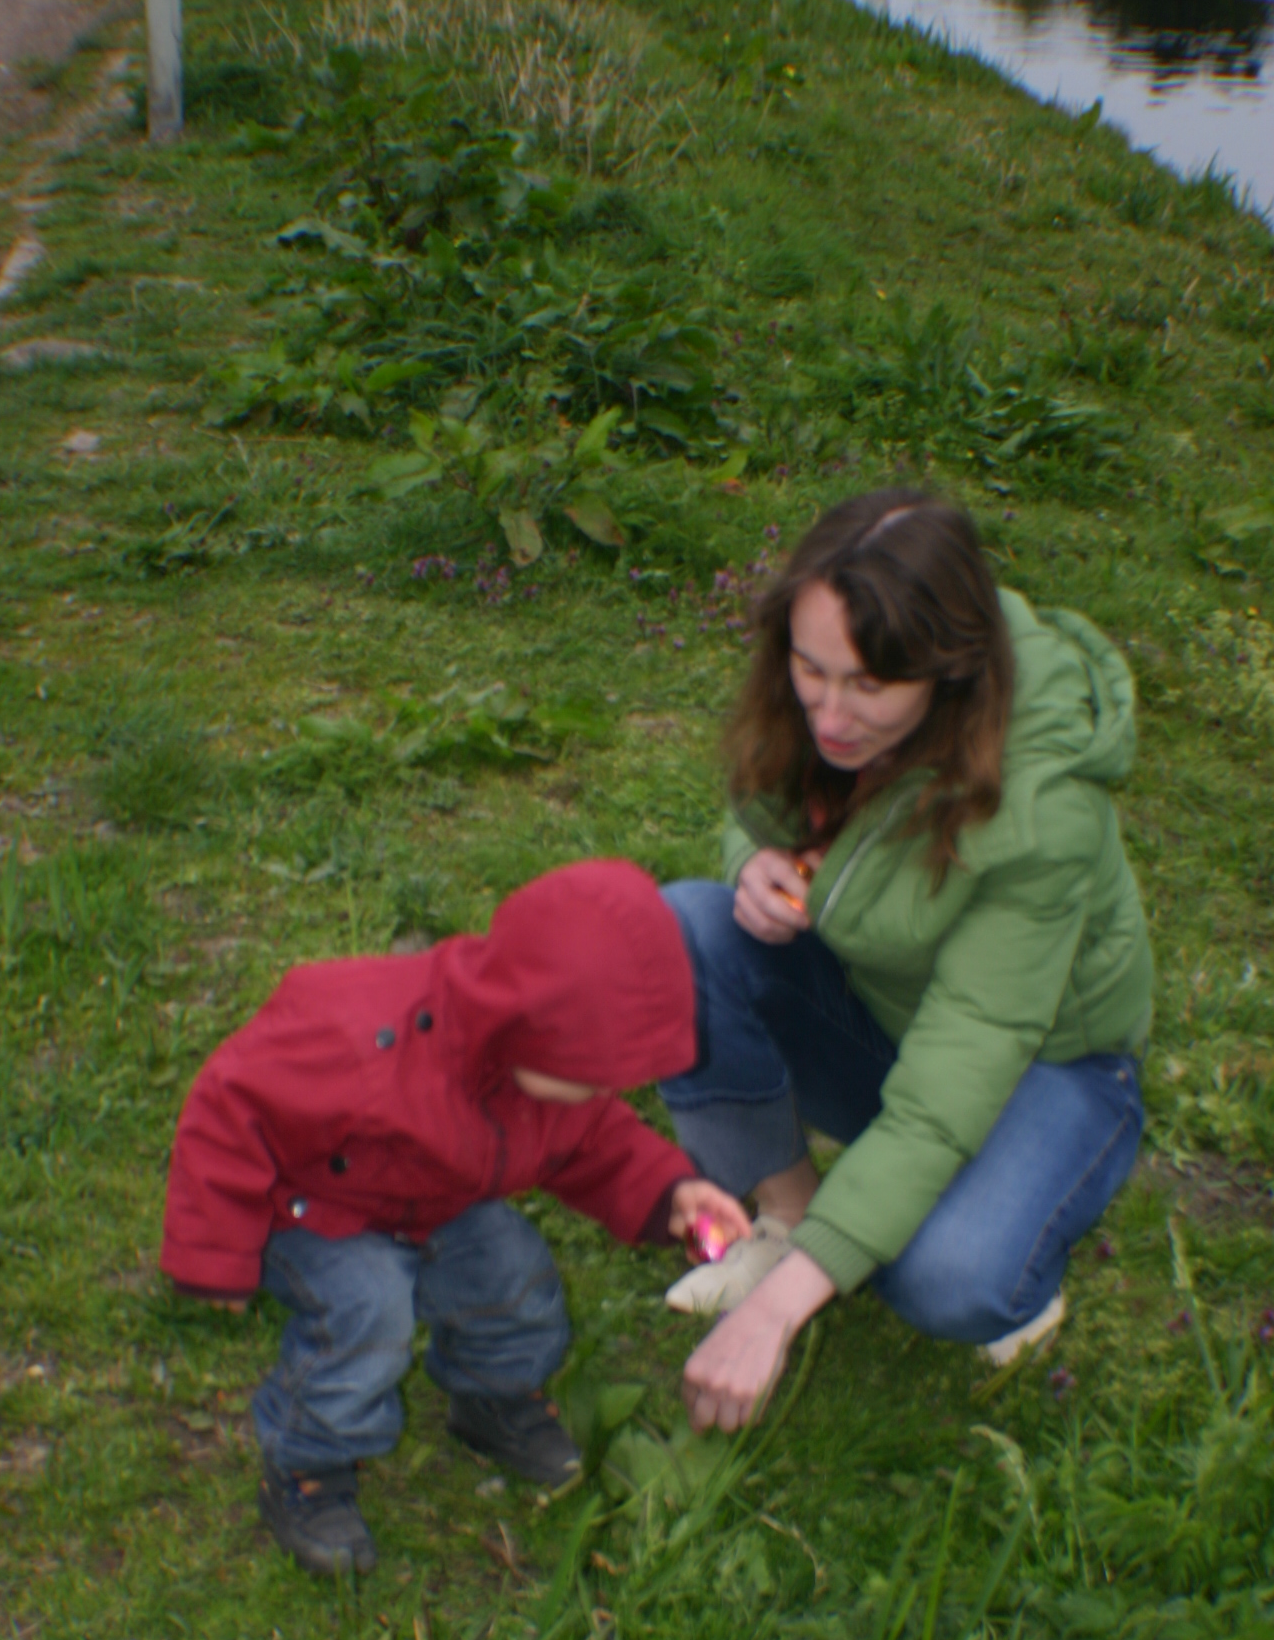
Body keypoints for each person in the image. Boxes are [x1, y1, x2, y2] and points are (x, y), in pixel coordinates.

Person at [659, 488, 1152, 1433]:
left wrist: (775, 1317)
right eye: (810, 669)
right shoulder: (827, 702)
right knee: (683, 930)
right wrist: (751, 862)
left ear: (948, 673)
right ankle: (790, 1220)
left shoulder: (1039, 811)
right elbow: (760, 806)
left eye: (868, 686)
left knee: (948, 1279)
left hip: (1046, 1065)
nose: (829, 713)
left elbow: (959, 1066)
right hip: (890, 1015)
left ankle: (1017, 1239)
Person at [160, 859, 750, 1576]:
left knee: (514, 1278)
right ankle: (309, 1464)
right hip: (313, 1207)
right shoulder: (354, 1038)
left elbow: (594, 1140)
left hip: (434, 1201)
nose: (599, 1092)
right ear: (523, 1024)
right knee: (367, 1313)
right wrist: (213, 1253)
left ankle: (491, 1399)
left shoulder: (545, 1076)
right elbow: (229, 1110)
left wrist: (670, 1194)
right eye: (589, 1075)